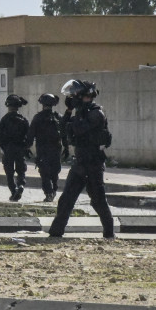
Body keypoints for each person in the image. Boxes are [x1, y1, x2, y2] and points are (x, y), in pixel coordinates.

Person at [49, 79, 114, 239]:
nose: (74, 100)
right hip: (80, 164)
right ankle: (56, 233)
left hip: (93, 164)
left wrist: (75, 114)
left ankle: (109, 233)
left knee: (98, 201)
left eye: (76, 97)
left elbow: (78, 130)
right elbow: (63, 128)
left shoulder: (96, 113)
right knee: (66, 200)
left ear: (85, 96)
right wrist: (69, 110)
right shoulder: (81, 112)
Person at [26, 93, 69, 202]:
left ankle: (49, 192)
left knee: (45, 172)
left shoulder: (38, 117)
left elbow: (30, 135)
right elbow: (64, 133)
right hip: (56, 149)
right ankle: (53, 191)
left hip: (43, 149)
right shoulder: (58, 117)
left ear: (42, 104)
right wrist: (66, 148)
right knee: (54, 172)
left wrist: (27, 148)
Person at [0, 94, 29, 201]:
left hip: (8, 148)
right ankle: (21, 185)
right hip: (20, 148)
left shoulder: (5, 119)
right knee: (21, 170)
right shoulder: (23, 119)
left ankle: (13, 191)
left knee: (9, 172)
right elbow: (28, 135)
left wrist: (4, 148)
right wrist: (25, 147)